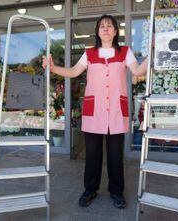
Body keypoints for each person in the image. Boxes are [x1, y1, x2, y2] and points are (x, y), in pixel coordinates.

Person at [43, 14, 148, 209]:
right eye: (102, 26)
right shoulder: (89, 53)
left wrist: (152, 53)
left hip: (116, 110)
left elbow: (138, 71)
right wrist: (53, 67)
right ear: (98, 31)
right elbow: (74, 72)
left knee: (116, 155)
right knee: (92, 154)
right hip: (94, 111)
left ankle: (116, 191)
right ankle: (90, 189)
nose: (106, 28)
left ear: (116, 31)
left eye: (109, 26)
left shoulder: (125, 52)